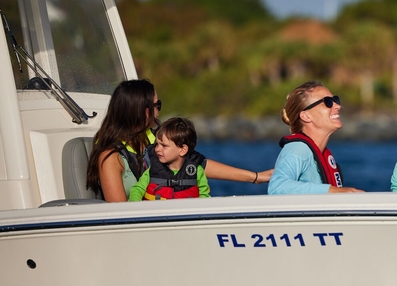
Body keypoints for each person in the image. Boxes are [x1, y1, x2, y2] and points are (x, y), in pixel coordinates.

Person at [86, 79, 272, 202]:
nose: (159, 110)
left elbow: (200, 164)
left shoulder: (154, 139)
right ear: (142, 110)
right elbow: (120, 216)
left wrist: (255, 177)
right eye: (157, 105)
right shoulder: (110, 157)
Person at [268, 81, 363, 194]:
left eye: (335, 100)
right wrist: (331, 190)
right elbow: (277, 187)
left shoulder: (320, 152)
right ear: (306, 116)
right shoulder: (297, 149)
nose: (337, 106)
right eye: (328, 102)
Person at [129, 117, 209, 201]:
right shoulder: (152, 170)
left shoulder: (197, 171)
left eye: (164, 146)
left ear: (182, 150)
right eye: (157, 144)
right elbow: (136, 190)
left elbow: (204, 196)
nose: (157, 149)